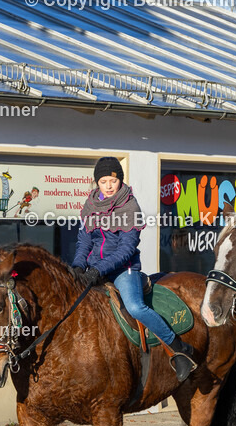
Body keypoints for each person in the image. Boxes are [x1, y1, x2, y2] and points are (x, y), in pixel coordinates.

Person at [71, 156, 196, 381]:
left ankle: (179, 349)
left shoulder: (129, 206)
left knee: (136, 307)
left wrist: (99, 269)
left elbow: (126, 249)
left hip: (123, 269)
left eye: (113, 180)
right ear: (96, 183)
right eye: (103, 181)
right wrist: (79, 265)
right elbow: (84, 242)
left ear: (120, 180)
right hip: (93, 268)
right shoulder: (90, 205)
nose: (108, 186)